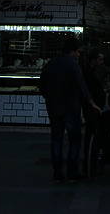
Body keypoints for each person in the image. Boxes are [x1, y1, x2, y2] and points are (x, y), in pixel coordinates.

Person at [39, 37, 101, 183]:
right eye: (78, 52)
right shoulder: (73, 65)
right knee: (74, 140)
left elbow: (42, 86)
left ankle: (58, 174)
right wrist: (91, 103)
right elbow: (82, 86)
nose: (79, 55)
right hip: (70, 108)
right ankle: (72, 172)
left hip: (53, 107)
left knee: (56, 140)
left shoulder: (50, 65)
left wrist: (50, 98)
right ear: (72, 51)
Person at [83, 49, 106, 161]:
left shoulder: (94, 71)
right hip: (92, 107)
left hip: (95, 105)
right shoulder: (88, 72)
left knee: (93, 131)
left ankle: (92, 156)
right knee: (91, 131)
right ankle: (90, 157)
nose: (101, 62)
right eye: (100, 59)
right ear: (93, 60)